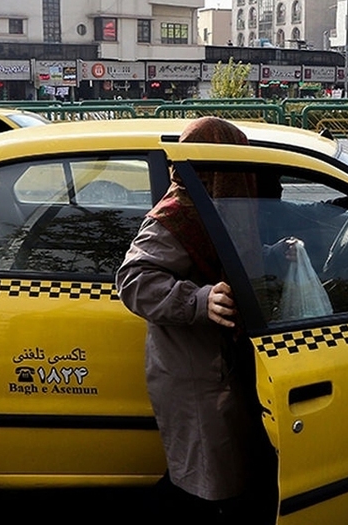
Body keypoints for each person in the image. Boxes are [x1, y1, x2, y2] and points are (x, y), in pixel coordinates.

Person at [116, 117, 277, 525]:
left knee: (215, 471)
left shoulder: (215, 206)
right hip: (194, 375)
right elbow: (134, 280)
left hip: (217, 367)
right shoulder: (177, 214)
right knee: (205, 481)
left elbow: (229, 256)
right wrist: (199, 300)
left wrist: (276, 255)